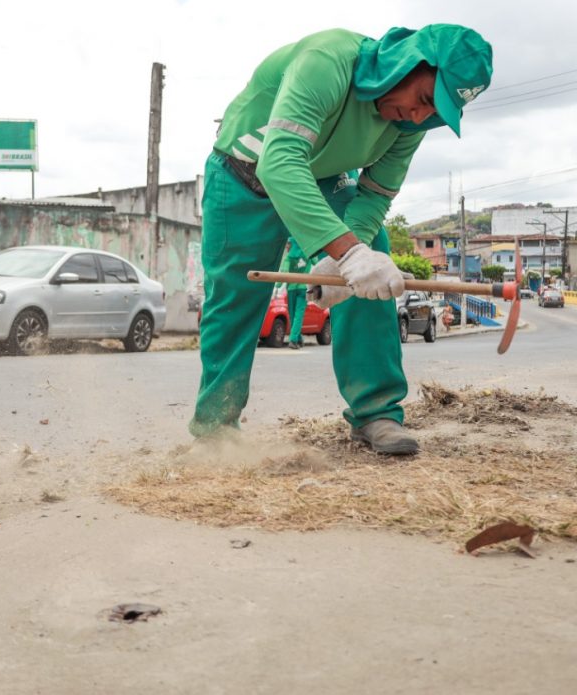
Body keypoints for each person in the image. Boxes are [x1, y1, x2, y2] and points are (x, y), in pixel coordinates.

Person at [192, 24, 493, 455]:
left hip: (323, 178)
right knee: (234, 299)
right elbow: (278, 163)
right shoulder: (328, 61)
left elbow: (374, 196)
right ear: (407, 63)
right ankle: (215, 429)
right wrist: (346, 251)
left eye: (436, 113)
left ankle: (376, 413)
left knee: (375, 262)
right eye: (425, 99)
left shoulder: (413, 124)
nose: (419, 117)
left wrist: (348, 261)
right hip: (243, 174)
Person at [281, 237, 313, 349]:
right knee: (297, 315)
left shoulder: (288, 258)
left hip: (291, 289)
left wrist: (277, 286)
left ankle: (293, 340)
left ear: (293, 244)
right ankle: (298, 338)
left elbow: (283, 272)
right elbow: (316, 262)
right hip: (303, 287)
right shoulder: (308, 253)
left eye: (288, 244)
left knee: (293, 315)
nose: (287, 247)